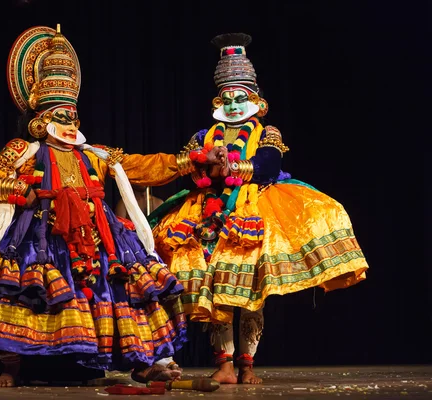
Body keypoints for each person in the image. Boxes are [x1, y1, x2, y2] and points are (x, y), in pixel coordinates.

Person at [0, 25, 207, 387]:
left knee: (117, 293)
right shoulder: (25, 151)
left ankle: (139, 362)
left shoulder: (93, 155)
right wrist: (18, 187)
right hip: (42, 236)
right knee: (24, 296)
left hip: (99, 238)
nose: (69, 123)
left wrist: (187, 162)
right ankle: (10, 367)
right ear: (40, 120)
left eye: (72, 116)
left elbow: (140, 166)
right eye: (60, 116)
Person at [150, 33, 369, 384]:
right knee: (216, 288)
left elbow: (267, 164)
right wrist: (206, 164)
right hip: (207, 213)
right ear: (217, 101)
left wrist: (232, 167)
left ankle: (247, 365)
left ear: (256, 102)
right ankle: (224, 365)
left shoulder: (266, 131)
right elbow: (191, 172)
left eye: (241, 98)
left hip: (254, 207)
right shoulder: (203, 136)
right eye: (228, 99)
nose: (235, 105)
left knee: (251, 293)